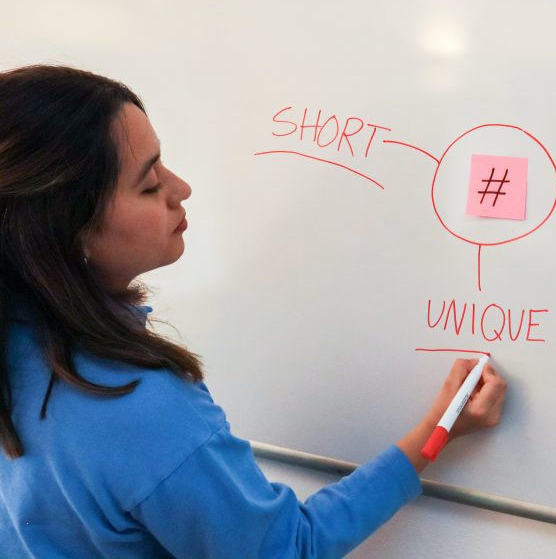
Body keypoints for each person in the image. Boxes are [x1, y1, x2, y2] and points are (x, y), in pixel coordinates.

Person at [0, 64, 507, 557]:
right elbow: (288, 550)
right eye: (149, 184)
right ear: (68, 229)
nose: (181, 189)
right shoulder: (132, 403)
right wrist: (437, 433)